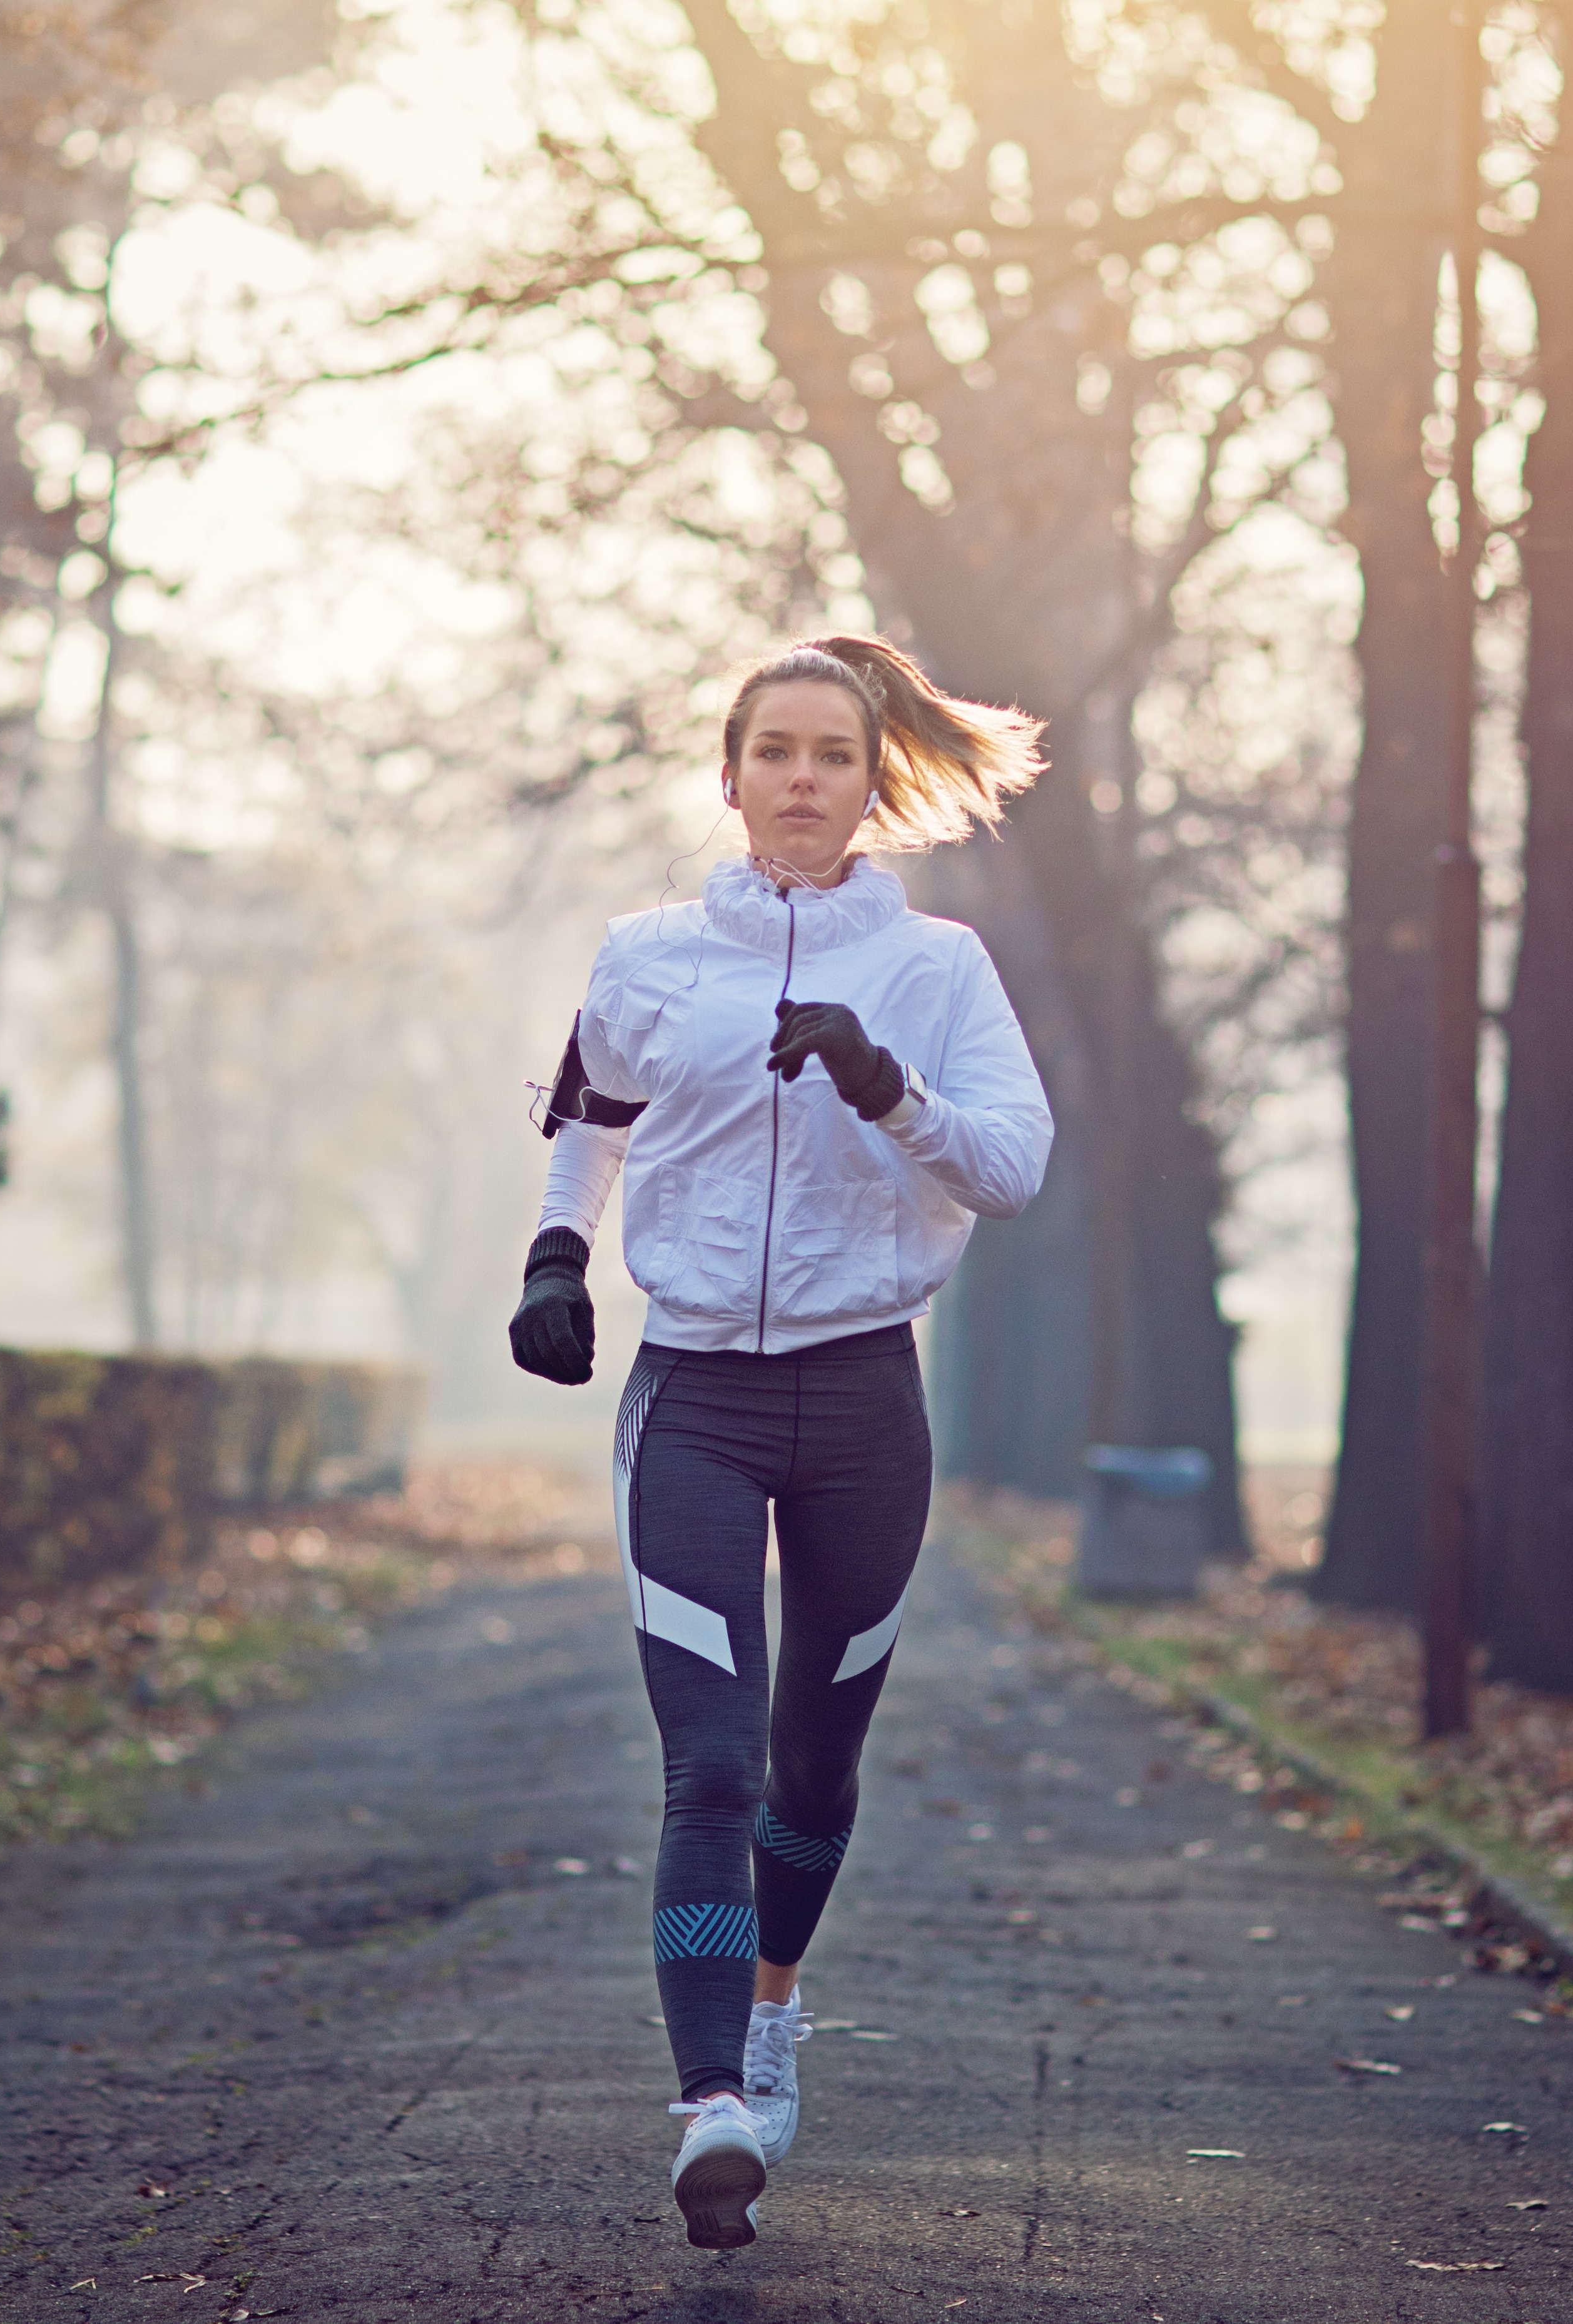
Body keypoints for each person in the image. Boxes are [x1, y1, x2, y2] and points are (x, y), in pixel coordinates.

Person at [509, 635, 1053, 2250]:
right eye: (776, 751)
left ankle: (771, 2011)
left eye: (833, 753)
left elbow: (1012, 1167)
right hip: (694, 1397)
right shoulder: (648, 955)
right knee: (715, 1757)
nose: (803, 778)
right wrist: (554, 1259)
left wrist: (887, 1088)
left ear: (874, 781)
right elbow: (590, 1112)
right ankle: (709, 2106)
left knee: (814, 1764)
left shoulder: (940, 968)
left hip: (863, 1403)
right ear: (731, 775)